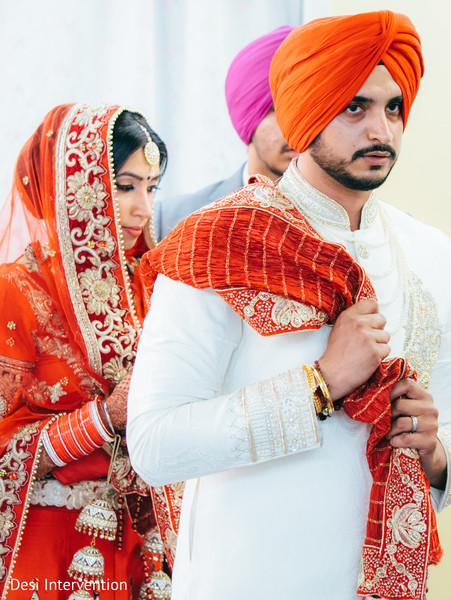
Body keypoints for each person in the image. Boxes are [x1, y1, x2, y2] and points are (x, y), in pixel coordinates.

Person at [127, 11, 451, 600]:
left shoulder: (432, 253)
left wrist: (437, 455)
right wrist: (320, 385)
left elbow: (446, 424)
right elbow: (153, 444)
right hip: (248, 579)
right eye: (354, 106)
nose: (380, 130)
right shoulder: (219, 243)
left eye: (393, 107)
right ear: (305, 112)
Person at [0, 103, 169, 600]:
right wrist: (104, 418)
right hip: (49, 550)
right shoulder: (14, 292)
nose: (144, 208)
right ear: (70, 189)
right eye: (125, 185)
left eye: (151, 187)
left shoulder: (153, 288)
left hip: (143, 548)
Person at [154, 25, 298, 241]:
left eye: (311, 113)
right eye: (281, 112)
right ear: (249, 115)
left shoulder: (353, 225)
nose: (298, 129)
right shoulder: (173, 219)